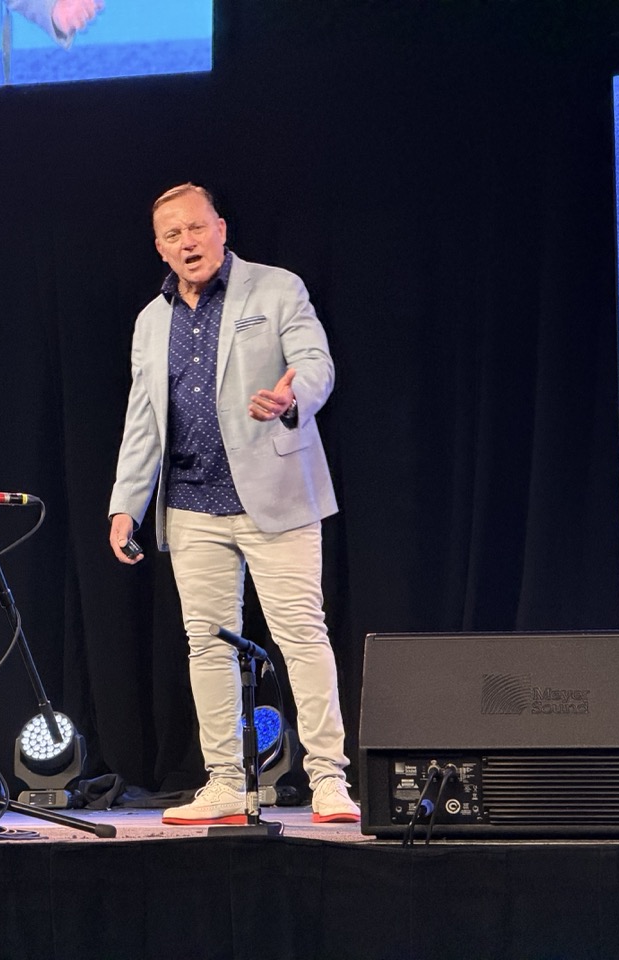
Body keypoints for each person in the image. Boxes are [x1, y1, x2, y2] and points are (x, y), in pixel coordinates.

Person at [108, 183, 360, 825]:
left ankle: (329, 778)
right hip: (192, 502)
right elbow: (143, 419)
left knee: (301, 633)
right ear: (160, 248)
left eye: (197, 228)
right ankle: (223, 780)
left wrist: (292, 396)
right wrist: (125, 504)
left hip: (275, 492)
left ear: (221, 228)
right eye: (173, 235)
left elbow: (316, 363)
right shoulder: (151, 321)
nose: (187, 242)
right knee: (207, 644)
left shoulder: (275, 288)